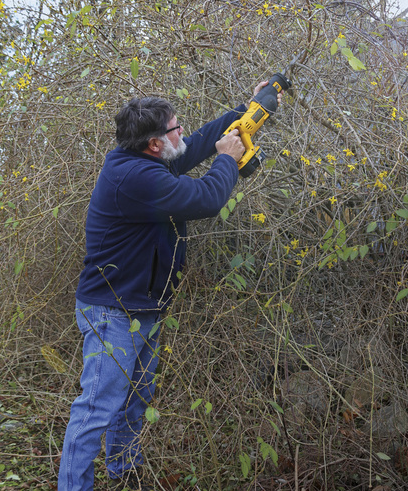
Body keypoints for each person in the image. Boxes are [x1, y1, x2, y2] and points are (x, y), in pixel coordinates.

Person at [58, 81, 282, 490]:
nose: (183, 132)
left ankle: (124, 471)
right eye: (174, 128)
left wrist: (248, 110)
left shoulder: (147, 161)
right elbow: (206, 198)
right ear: (155, 144)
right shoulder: (137, 179)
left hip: (141, 307)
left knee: (136, 400)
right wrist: (229, 160)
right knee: (96, 409)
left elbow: (196, 145)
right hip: (113, 312)